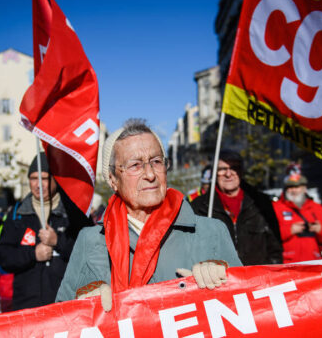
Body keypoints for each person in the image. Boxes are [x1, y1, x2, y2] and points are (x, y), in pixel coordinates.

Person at [56, 119, 242, 312]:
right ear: (113, 180)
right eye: (135, 165)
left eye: (156, 161)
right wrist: (81, 303)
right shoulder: (90, 239)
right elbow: (60, 316)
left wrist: (226, 280)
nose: (150, 174)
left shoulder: (211, 231)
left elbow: (249, 304)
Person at [0, 152, 77, 310]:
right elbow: (3, 256)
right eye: (33, 178)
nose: (39, 184)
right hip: (26, 308)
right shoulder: (17, 214)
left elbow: (87, 254)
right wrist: (32, 254)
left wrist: (58, 241)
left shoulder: (71, 212)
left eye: (44, 178)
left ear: (55, 179)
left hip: (65, 307)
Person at [191, 149, 282, 266]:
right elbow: (192, 250)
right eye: (222, 169)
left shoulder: (261, 203)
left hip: (257, 279)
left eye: (234, 168)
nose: (228, 174)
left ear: (241, 172)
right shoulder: (199, 207)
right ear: (214, 172)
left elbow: (275, 249)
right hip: (219, 281)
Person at [272, 166, 322, 263]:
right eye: (290, 187)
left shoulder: (317, 208)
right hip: (286, 263)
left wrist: (320, 229)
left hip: (314, 262)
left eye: (297, 187)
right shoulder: (276, 207)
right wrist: (290, 230)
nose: (294, 190)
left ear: (304, 188)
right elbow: (268, 234)